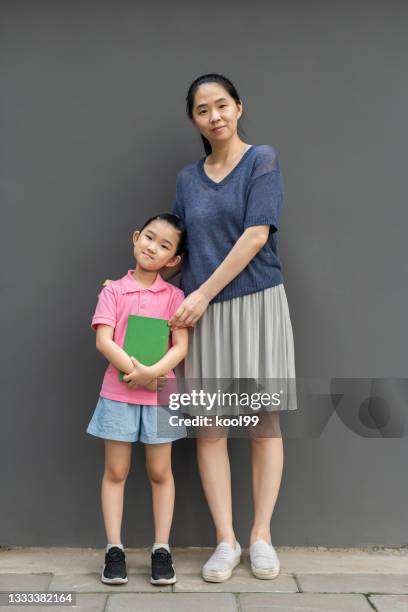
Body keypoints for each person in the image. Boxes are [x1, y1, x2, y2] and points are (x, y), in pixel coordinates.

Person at [166, 73, 297, 582]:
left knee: (263, 424)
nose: (215, 116)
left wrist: (200, 292)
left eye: (222, 105)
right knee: (210, 429)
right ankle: (226, 540)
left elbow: (256, 236)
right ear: (194, 119)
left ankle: (261, 535)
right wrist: (151, 267)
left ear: (239, 107)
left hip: (256, 303)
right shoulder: (186, 178)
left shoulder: (262, 159)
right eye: (203, 109)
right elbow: (183, 243)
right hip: (205, 314)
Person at [86, 213, 189, 586]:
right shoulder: (113, 290)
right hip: (118, 394)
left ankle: (161, 549)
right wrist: (136, 372)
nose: (153, 247)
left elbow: (181, 347)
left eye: (165, 245)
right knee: (116, 472)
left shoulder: (175, 297)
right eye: (149, 237)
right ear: (135, 238)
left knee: (161, 472)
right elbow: (104, 340)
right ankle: (115, 549)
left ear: (174, 260)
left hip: (160, 396)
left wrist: (153, 374)